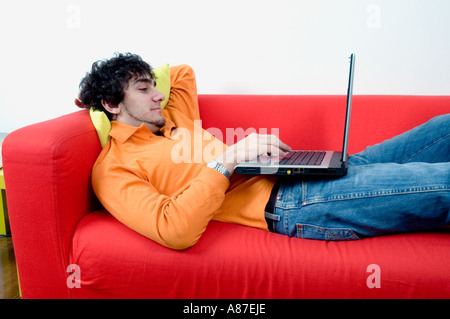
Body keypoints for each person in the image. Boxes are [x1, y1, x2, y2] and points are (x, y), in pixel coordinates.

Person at [78, 52, 450, 250]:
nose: (158, 93)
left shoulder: (171, 118)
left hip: (299, 174)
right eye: (144, 90)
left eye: (153, 86)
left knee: (444, 126)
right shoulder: (114, 168)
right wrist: (225, 160)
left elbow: (182, 72)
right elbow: (173, 230)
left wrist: (131, 80)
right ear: (112, 103)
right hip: (291, 203)